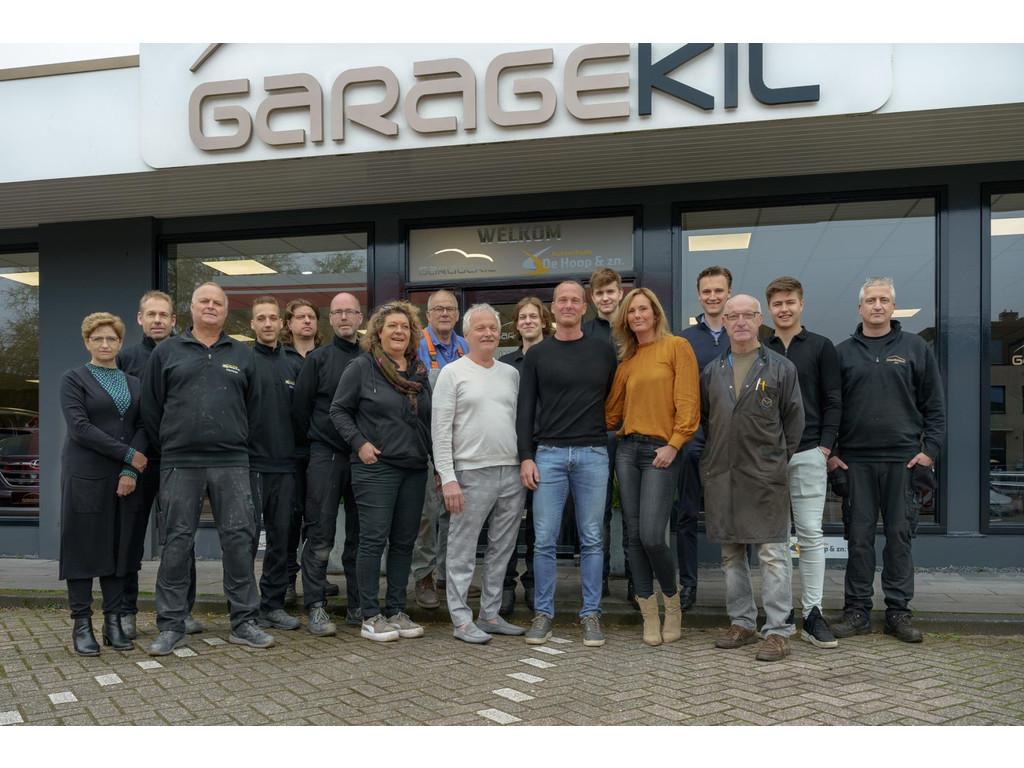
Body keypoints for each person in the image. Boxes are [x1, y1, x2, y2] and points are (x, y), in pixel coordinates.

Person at [142, 282, 273, 655]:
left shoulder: (243, 355)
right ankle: (171, 624)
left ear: (226, 311)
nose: (211, 306)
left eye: (218, 302)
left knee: (239, 541)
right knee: (176, 543)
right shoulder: (167, 352)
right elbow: (151, 409)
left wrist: (234, 439)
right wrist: (174, 443)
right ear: (192, 308)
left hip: (232, 462)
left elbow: (256, 410)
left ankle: (244, 622)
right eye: (204, 301)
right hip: (180, 463)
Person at [828, 277, 945, 643]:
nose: (877, 305)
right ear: (860, 308)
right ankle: (857, 612)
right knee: (859, 539)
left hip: (903, 461)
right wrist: (832, 454)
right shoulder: (842, 353)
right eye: (870, 300)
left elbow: (935, 406)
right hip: (855, 462)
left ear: (893, 307)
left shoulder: (915, 348)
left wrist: (930, 452)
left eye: (883, 300)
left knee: (899, 538)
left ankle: (898, 613)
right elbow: (832, 408)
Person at [703, 294, 804, 662]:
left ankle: (778, 631)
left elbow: (794, 422)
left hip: (765, 477)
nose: (741, 321)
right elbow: (706, 421)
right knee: (731, 554)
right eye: (733, 316)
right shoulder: (712, 371)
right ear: (724, 322)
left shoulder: (780, 368)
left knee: (773, 554)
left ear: (760, 319)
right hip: (723, 475)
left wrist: (773, 460)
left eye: (748, 315)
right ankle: (742, 623)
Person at [517, 281, 617, 647]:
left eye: (576, 300)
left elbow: (614, 399)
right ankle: (543, 613)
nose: (569, 305)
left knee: (592, 538)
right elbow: (525, 409)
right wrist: (526, 456)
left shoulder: (603, 351)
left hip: (593, 454)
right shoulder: (538, 355)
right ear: (553, 308)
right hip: (549, 455)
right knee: (544, 539)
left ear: (585, 307)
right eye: (563, 300)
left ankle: (591, 614)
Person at [331, 301, 432, 642]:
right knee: (373, 541)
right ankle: (370, 615)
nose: (399, 331)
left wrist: (434, 462)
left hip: (414, 468)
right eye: (392, 326)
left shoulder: (419, 371)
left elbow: (427, 420)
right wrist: (359, 443)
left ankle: (397, 610)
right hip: (377, 468)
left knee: (404, 542)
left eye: (405, 327)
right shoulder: (362, 367)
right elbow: (338, 411)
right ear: (378, 332)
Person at [605, 288, 700, 646]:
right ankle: (648, 613)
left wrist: (674, 444)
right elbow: (611, 413)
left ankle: (671, 604)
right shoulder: (627, 361)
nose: (637, 316)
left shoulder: (677, 347)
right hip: (627, 451)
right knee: (633, 536)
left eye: (643, 309)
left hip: (661, 451)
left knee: (651, 535)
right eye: (631, 312)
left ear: (656, 313)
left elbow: (688, 403)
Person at [433, 303, 527, 643]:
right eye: (480, 328)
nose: (488, 333)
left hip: (511, 472)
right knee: (462, 549)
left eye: (493, 328)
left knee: (502, 548)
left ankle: (489, 614)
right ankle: (461, 620)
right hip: (470, 474)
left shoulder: (510, 374)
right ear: (467, 334)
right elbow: (440, 430)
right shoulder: (452, 373)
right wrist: (448, 477)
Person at [60, 312, 148, 655]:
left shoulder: (134, 383)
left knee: (119, 548)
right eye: (98, 338)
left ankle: (113, 622)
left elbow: (143, 426)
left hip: (123, 478)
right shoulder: (74, 379)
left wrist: (130, 470)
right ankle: (82, 624)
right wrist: (129, 454)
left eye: (111, 338)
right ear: (87, 342)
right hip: (85, 475)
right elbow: (79, 428)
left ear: (121, 342)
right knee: (82, 547)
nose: (105, 344)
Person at [117, 290, 201, 640]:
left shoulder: (188, 353)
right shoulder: (126, 358)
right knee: (130, 538)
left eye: (163, 315)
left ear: (173, 320)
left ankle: (182, 610)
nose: (157, 320)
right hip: (139, 462)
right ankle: (125, 610)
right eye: (150, 314)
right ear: (140, 318)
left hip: (178, 460)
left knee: (181, 539)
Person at [765, 276, 842, 648]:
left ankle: (813, 613)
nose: (784, 309)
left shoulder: (821, 347)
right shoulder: (761, 350)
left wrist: (825, 447)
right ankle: (780, 615)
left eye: (790, 302)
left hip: (810, 451)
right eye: (777, 303)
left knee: (810, 534)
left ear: (801, 304)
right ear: (770, 308)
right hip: (769, 457)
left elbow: (834, 400)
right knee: (775, 539)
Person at [291, 292, 364, 635]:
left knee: (361, 536)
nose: (344, 317)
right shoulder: (317, 360)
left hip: (365, 458)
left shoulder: (371, 358)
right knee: (320, 533)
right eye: (338, 312)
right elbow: (300, 410)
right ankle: (316, 606)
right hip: (326, 455)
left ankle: (358, 604)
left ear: (360, 317)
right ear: (331, 319)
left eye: (350, 311)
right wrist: (320, 440)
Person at [673, 265, 732, 611]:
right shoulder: (684, 340)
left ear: (728, 293)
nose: (712, 297)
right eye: (707, 291)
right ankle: (689, 585)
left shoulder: (742, 333)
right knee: (686, 515)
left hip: (732, 441)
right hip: (693, 438)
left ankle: (737, 589)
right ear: (699, 295)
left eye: (718, 290)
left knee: (734, 517)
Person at [248, 297, 303, 631]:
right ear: (252, 324)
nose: (267, 323)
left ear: (282, 324)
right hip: (249, 465)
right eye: (261, 318)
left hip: (286, 466)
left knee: (281, 539)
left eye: (272, 318)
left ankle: (272, 605)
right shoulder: (241, 361)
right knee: (245, 540)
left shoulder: (294, 364)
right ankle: (243, 608)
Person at [411, 289, 469, 609]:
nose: (445, 314)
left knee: (454, 511)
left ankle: (449, 575)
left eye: (450, 309)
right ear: (428, 314)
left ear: (457, 315)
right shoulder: (415, 345)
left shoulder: (466, 347)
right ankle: (424, 575)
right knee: (426, 513)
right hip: (423, 439)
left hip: (459, 441)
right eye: (439, 309)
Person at [499, 296, 552, 615]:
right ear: (516, 325)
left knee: (539, 524)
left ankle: (533, 582)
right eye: (523, 317)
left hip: (547, 449)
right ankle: (505, 585)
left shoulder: (556, 356)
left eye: (534, 316)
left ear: (544, 321)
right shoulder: (505, 364)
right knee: (506, 521)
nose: (528, 321)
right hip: (511, 450)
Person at [583, 267, 632, 604]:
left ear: (620, 293)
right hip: (597, 431)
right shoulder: (585, 333)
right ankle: (597, 582)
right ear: (593, 298)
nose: (605, 298)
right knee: (596, 512)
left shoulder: (635, 328)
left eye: (610, 291)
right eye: (599, 293)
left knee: (632, 509)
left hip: (633, 429)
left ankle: (635, 584)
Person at [280, 297, 324, 606]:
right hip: (288, 452)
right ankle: (286, 580)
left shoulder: (325, 356)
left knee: (317, 519)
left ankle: (314, 578)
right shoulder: (280, 358)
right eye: (300, 317)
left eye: (311, 317)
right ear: (289, 323)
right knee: (289, 518)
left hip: (320, 450)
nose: (307, 321)